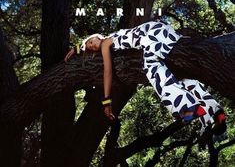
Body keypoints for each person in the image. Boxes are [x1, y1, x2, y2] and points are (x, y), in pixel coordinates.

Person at [64, 20, 226, 141]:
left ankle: (187, 108)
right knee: (181, 77)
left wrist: (106, 101)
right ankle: (216, 113)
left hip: (150, 35)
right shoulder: (111, 38)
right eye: (89, 47)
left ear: (98, 37)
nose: (91, 46)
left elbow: (108, 71)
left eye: (91, 41)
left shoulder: (106, 42)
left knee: (151, 67)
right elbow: (88, 46)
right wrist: (78, 48)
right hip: (159, 30)